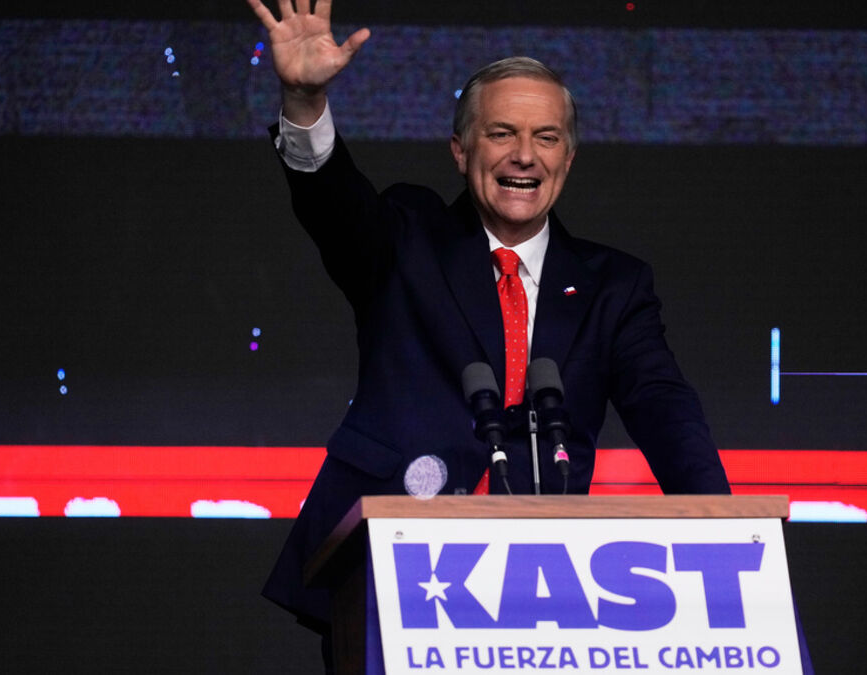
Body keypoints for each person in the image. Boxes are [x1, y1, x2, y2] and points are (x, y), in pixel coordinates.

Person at [247, 0, 737, 668]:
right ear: (461, 150)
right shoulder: (409, 236)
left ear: (568, 157)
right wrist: (305, 102)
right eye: (502, 133)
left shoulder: (613, 286)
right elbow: (335, 209)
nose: (524, 156)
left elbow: (664, 406)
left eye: (546, 137)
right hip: (391, 567)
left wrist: (723, 530)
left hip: (543, 587)